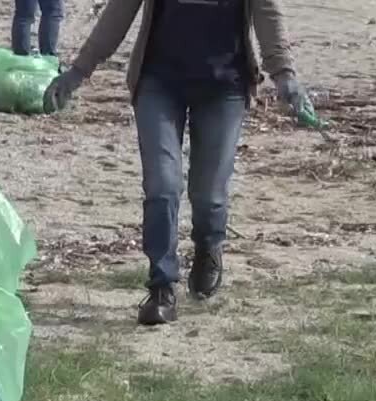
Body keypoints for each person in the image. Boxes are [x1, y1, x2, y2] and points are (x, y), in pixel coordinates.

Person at [42, 0, 308, 325]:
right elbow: (119, 12)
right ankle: (161, 286)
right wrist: (78, 71)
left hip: (225, 87)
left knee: (210, 194)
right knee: (162, 185)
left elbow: (267, 13)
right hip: (158, 82)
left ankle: (208, 246)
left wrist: (284, 76)